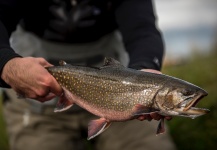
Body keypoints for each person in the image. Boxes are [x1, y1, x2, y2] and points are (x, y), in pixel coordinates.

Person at [0, 0, 176, 150]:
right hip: (36, 103)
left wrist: (146, 70)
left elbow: (142, 30)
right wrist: (7, 64)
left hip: (125, 97)